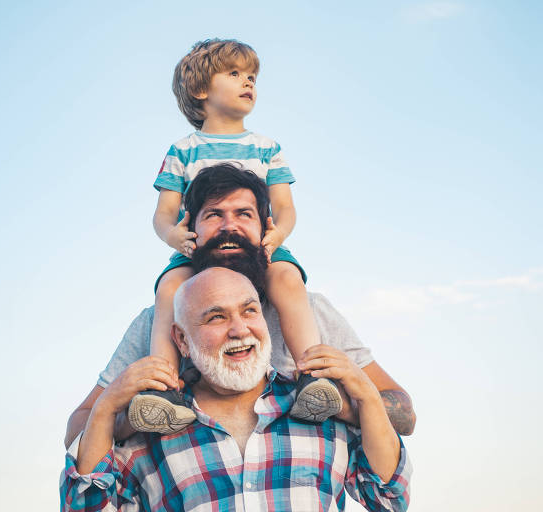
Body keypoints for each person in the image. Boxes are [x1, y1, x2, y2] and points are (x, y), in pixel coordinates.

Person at [65, 165, 416, 447]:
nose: (229, 226)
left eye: (244, 214)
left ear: (266, 227)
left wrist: (347, 403)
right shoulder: (157, 322)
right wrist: (127, 415)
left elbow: (405, 415)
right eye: (214, 215)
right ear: (191, 230)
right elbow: (75, 433)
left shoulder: (311, 313)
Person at [61, 268, 411, 511]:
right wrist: (106, 407)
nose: (240, 329)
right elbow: (85, 507)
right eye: (216, 317)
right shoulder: (149, 431)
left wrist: (365, 394)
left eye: (250, 311)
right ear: (181, 339)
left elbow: (389, 498)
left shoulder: (320, 409)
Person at [135, 37, 342, 433]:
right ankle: (163, 390)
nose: (248, 82)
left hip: (259, 245)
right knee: (170, 289)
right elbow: (163, 213)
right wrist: (174, 237)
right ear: (200, 90)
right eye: (234, 74)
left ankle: (312, 378)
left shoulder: (267, 147)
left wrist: (277, 234)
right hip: (199, 249)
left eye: (251, 76)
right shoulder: (183, 150)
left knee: (287, 278)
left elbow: (284, 207)